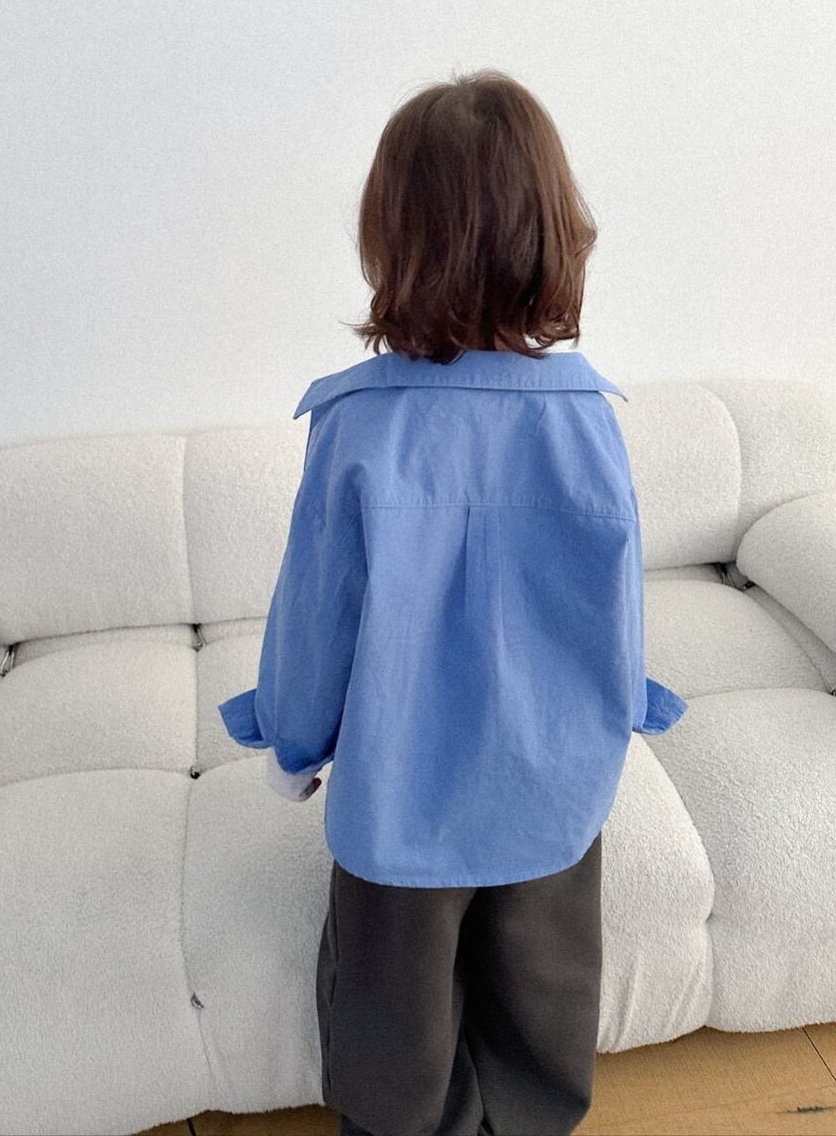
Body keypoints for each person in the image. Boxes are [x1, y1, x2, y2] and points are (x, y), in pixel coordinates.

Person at [218, 70, 689, 1136]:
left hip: (401, 795)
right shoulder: (588, 418)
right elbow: (613, 607)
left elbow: (317, 618)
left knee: (394, 1023)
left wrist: (293, 743)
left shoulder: (356, 428)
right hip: (552, 786)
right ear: (554, 235)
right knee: (543, 1006)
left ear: (393, 239)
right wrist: (618, 712)